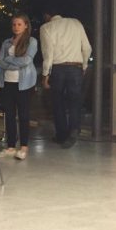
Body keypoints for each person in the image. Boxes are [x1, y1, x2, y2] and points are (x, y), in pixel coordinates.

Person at [40, 9, 92, 148]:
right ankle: (74, 130)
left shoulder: (46, 27)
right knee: (75, 101)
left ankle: (62, 135)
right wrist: (84, 65)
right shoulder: (76, 23)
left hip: (58, 68)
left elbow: (48, 54)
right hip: (76, 67)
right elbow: (87, 48)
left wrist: (45, 76)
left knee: (58, 102)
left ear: (47, 15)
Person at [0, 14, 38, 160]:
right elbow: (0, 62)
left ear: (26, 25)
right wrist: (13, 63)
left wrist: (9, 60)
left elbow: (26, 60)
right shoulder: (6, 42)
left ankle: (24, 146)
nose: (16, 27)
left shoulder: (31, 41)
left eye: (19, 24)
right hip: (7, 82)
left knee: (24, 115)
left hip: (24, 83)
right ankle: (11, 146)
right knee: (9, 115)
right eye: (14, 24)